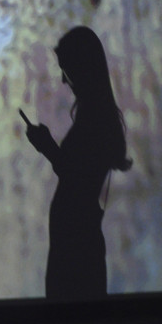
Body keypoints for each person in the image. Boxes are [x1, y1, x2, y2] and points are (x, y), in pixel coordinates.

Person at [24, 27, 133, 302]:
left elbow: (77, 177)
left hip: (76, 246)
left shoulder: (94, 119)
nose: (64, 80)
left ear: (83, 69)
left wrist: (47, 147)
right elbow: (78, 171)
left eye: (67, 71)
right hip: (77, 241)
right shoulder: (98, 116)